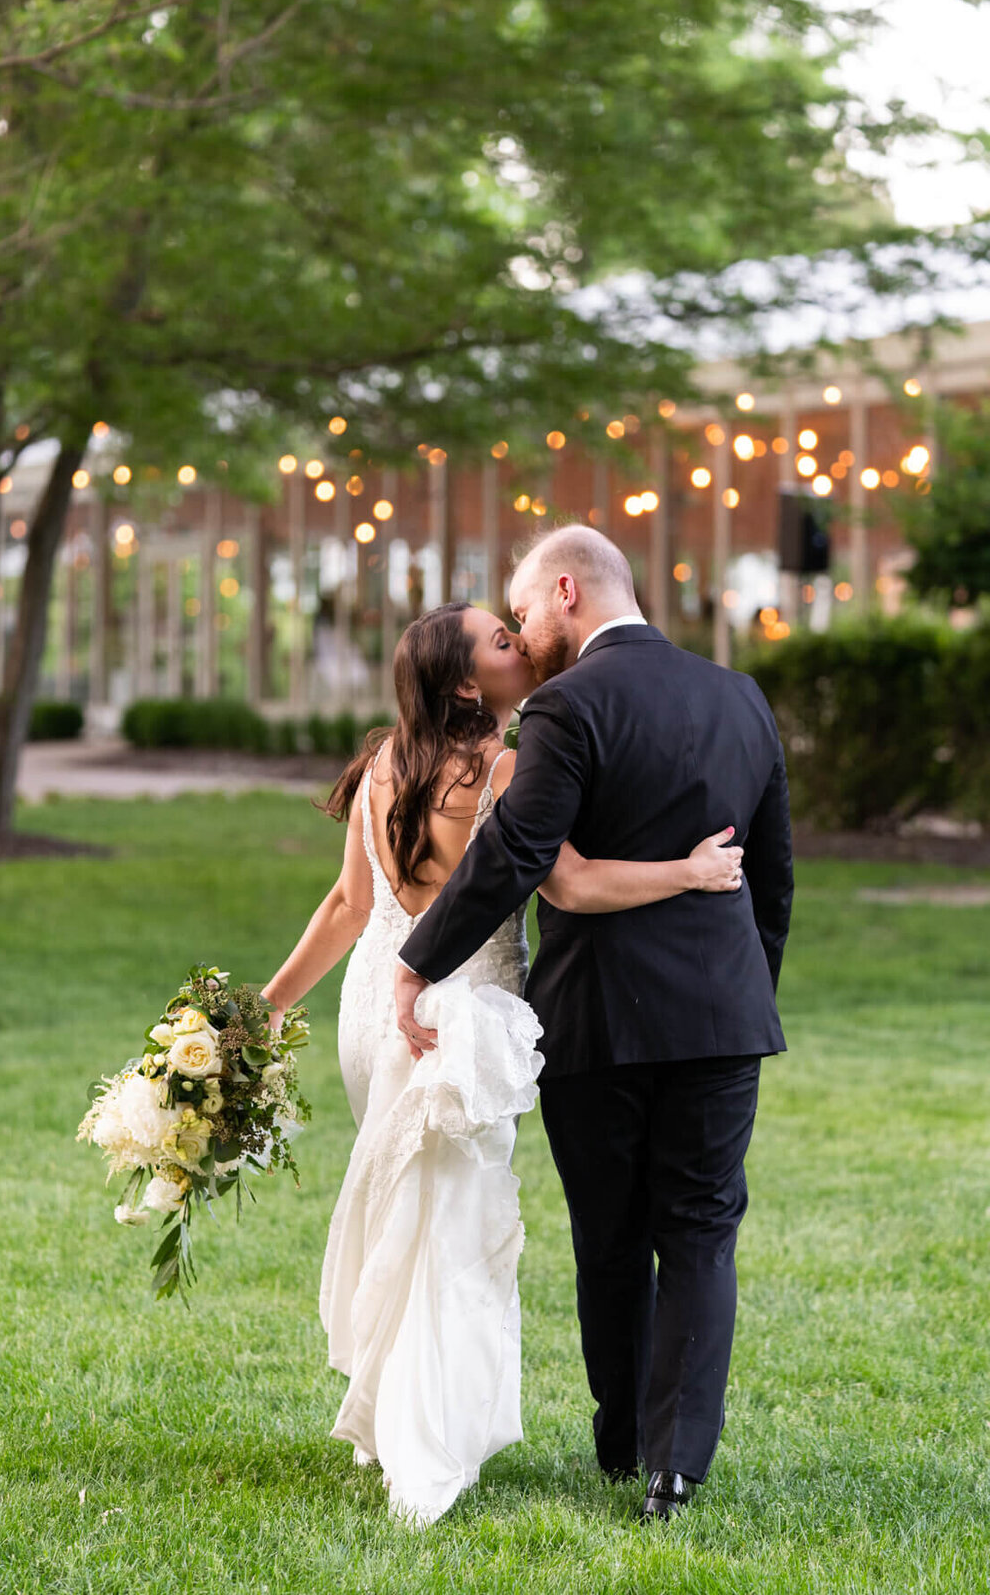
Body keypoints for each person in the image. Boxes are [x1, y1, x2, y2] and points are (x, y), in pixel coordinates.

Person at [262, 598, 746, 1526]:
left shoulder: (378, 768)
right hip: (463, 1016)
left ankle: (385, 1421)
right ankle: (424, 1441)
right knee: (449, 1227)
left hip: (373, 1011)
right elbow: (569, 883)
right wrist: (691, 873)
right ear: (464, 682)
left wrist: (268, 1006)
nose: (521, 644)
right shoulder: (503, 768)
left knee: (406, 1212)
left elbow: (344, 907)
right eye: (500, 640)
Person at [394, 529, 793, 1524]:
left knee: (611, 1238)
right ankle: (675, 1468)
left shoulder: (569, 703)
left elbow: (522, 848)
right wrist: (748, 989)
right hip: (720, 1017)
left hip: (597, 1022)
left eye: (525, 611)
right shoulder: (741, 696)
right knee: (701, 1231)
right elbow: (775, 874)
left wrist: (416, 957)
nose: (523, 634)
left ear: (568, 590)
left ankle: (624, 1445)